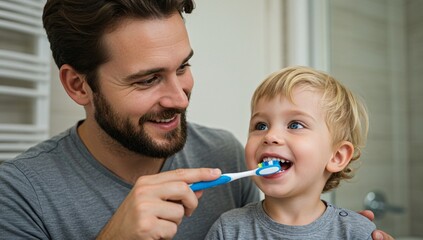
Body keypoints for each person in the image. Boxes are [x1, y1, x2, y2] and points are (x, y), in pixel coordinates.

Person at [0, 1, 393, 239]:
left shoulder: (225, 153)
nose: (179, 97)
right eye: (148, 79)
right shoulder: (18, 194)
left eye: (183, 67)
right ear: (78, 85)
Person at [205, 66, 376, 239]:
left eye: (295, 125)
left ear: (337, 156)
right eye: (261, 125)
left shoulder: (356, 233)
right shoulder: (228, 230)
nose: (270, 136)